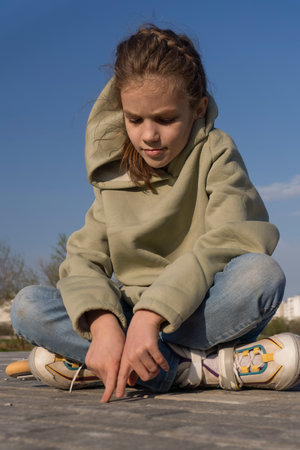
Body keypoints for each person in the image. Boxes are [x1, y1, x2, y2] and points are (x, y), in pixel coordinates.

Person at [7, 25, 300, 402]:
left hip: (193, 313)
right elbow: (82, 262)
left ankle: (116, 367)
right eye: (135, 120)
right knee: (28, 306)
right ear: (121, 111)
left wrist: (152, 316)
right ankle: (198, 370)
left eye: (164, 120)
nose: (148, 135)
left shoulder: (217, 152)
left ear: (197, 108)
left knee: (262, 274)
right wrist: (103, 325)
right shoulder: (113, 170)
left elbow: (230, 242)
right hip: (130, 321)